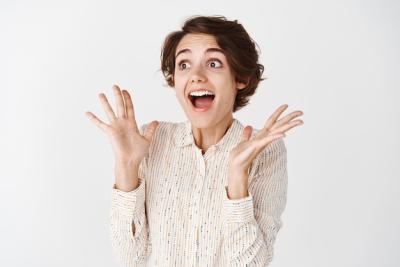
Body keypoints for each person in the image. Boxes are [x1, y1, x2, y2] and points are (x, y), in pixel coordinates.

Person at [85, 15, 304, 267]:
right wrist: (126, 166)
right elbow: (131, 258)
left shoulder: (265, 150)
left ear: (240, 79)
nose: (196, 75)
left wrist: (237, 177)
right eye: (184, 65)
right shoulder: (151, 141)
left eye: (213, 63)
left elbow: (251, 264)